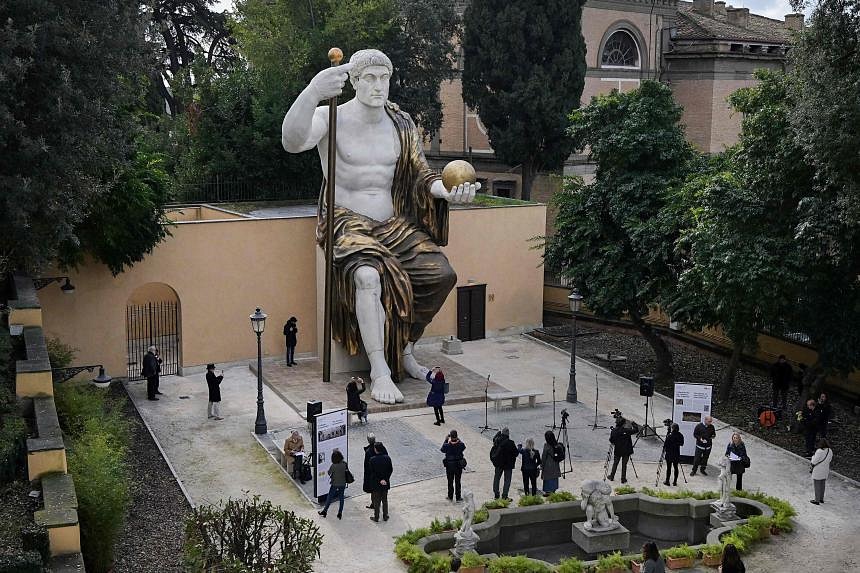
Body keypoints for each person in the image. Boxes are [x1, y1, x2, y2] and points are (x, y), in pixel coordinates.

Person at [282, 48, 480, 405]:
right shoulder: (332, 118)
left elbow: (421, 175)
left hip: (393, 225)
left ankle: (404, 350)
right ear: (354, 81)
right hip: (348, 221)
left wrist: (447, 192)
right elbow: (292, 142)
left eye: (384, 78)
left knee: (441, 274)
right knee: (368, 277)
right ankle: (379, 370)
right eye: (370, 78)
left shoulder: (401, 123)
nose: (378, 86)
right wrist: (312, 91)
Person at [607, 417, 638, 484]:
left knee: (615, 463)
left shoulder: (614, 431)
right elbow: (636, 430)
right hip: (626, 451)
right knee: (624, 465)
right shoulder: (627, 431)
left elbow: (611, 440)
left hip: (618, 450)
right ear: (623, 424)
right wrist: (633, 423)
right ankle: (623, 479)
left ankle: (612, 476)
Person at [490, 427, 518, 500]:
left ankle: (496, 494)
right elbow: (516, 453)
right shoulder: (511, 443)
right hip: (508, 465)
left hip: (498, 463)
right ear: (508, 434)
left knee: (496, 478)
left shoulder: (497, 440)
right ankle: (505, 496)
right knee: (507, 480)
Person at [318, 449, 348, 519]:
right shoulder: (344, 463)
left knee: (329, 497)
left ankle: (325, 511)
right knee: (341, 497)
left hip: (334, 483)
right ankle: (340, 513)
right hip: (343, 483)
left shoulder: (333, 465)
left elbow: (329, 473)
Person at [368, 442, 393, 522]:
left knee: (376, 501)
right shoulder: (387, 458)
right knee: (385, 501)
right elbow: (390, 470)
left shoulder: (372, 460)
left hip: (376, 484)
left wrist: (380, 480)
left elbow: (372, 472)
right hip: (385, 483)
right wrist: (384, 479)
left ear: (376, 449)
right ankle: (385, 516)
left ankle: (376, 517)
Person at [362, 433, 388, 507]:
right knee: (382, 489)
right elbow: (387, 458)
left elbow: (366, 466)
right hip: (382, 472)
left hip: (373, 474)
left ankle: (374, 504)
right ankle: (381, 504)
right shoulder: (381, 447)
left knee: (373, 490)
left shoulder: (368, 452)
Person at [441, 430, 466, 501]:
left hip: (449, 466)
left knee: (450, 481)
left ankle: (450, 496)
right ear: (457, 436)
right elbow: (463, 447)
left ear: (450, 437)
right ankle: (458, 497)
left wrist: (446, 439)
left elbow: (442, 450)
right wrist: (458, 439)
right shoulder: (460, 444)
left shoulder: (447, 445)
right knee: (458, 481)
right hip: (458, 465)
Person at [809, 438, 833, 505]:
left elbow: (814, 461)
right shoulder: (829, 450)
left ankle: (817, 500)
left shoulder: (819, 451)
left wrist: (813, 457)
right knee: (822, 484)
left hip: (818, 470)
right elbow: (830, 459)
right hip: (825, 470)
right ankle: (821, 499)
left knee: (817, 485)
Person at [541, 431, 561, 495]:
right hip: (555, 464)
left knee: (548, 478)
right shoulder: (557, 445)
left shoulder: (546, 446)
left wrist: (542, 465)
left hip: (548, 465)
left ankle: (548, 492)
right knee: (554, 478)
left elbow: (544, 457)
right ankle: (553, 490)